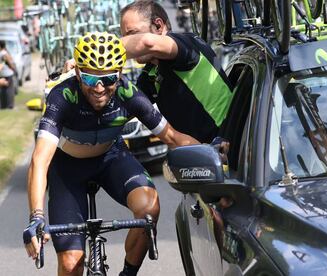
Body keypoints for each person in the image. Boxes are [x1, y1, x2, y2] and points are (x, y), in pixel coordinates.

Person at [23, 32, 199, 276]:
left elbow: (173, 138)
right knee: (71, 262)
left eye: (107, 79)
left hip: (111, 157)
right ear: (77, 74)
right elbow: (40, 160)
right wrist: (36, 217)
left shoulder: (128, 94)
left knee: (149, 210)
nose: (98, 88)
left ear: (119, 75)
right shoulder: (62, 97)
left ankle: (127, 274)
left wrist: (211, 155)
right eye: (88, 78)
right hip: (67, 168)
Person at [120, 0, 234, 143]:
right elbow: (126, 109)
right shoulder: (150, 72)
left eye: (132, 35)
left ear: (158, 26)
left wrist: (100, 50)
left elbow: (147, 43)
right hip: (204, 156)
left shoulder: (186, 44)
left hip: (232, 145)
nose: (127, 41)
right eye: (124, 36)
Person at [0, 40, 17, 109]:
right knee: (9, 90)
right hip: (8, 73)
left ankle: (3, 105)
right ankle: (9, 105)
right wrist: (13, 69)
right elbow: (9, 62)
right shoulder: (4, 53)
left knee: (3, 91)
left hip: (2, 74)